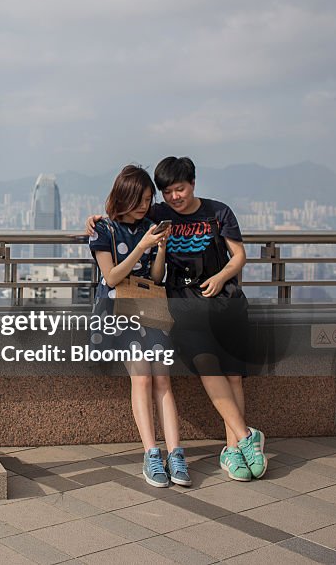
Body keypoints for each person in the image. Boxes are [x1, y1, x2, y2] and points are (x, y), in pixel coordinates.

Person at [87, 156, 266, 481]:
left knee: (229, 376)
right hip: (162, 309)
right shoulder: (144, 219)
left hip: (216, 305)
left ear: (193, 184)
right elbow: (113, 259)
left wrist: (217, 274)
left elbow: (236, 256)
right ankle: (235, 440)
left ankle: (232, 448)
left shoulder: (215, 212)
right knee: (194, 369)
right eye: (165, 192)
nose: (170, 198)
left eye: (178, 189)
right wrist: (95, 221)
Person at [89, 165, 189, 488]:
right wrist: (142, 246)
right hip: (121, 314)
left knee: (163, 381)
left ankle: (176, 453)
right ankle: (151, 454)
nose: (146, 205)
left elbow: (156, 278)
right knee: (143, 379)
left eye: (148, 199)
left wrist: (160, 248)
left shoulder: (150, 227)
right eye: (140, 199)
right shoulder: (104, 230)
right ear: (125, 196)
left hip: (151, 310)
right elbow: (111, 277)